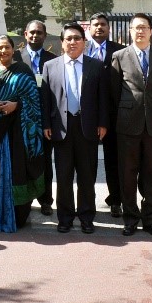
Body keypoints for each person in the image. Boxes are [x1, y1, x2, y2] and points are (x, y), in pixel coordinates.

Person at [41, 22, 108, 234]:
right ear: (62, 43)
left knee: (87, 176)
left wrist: (102, 123)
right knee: (63, 176)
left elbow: (103, 98)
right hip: (61, 127)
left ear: (84, 42)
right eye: (68, 39)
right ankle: (65, 218)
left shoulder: (96, 66)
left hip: (87, 127)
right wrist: (46, 124)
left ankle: (87, 217)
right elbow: (45, 99)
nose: (73, 42)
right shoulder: (50, 66)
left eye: (77, 38)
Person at [108, 13, 152, 237]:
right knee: (127, 173)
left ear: (151, 31)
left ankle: (151, 219)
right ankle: (131, 218)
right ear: (130, 31)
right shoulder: (119, 56)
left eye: (144, 27)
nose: (141, 31)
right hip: (127, 124)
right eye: (136, 28)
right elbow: (114, 93)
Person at [0, 35, 45, 232]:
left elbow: (33, 99)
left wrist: (16, 105)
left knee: (18, 168)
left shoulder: (23, 69)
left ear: (13, 49)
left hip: (19, 129)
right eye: (0, 48)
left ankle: (18, 213)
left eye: (7, 47)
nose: (3, 51)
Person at [87, 12, 125, 218]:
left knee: (113, 160)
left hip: (112, 115)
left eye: (103, 24)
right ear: (89, 28)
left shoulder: (119, 51)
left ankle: (116, 200)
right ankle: (87, 199)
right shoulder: (81, 48)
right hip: (86, 113)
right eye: (95, 24)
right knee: (87, 160)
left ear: (109, 28)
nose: (99, 27)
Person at [20, 20, 55, 216]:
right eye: (32, 32)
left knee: (45, 162)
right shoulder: (16, 57)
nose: (35, 36)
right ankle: (25, 199)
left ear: (45, 35)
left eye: (39, 33)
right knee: (24, 160)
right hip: (22, 119)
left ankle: (46, 200)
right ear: (25, 34)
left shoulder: (53, 59)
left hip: (44, 120)